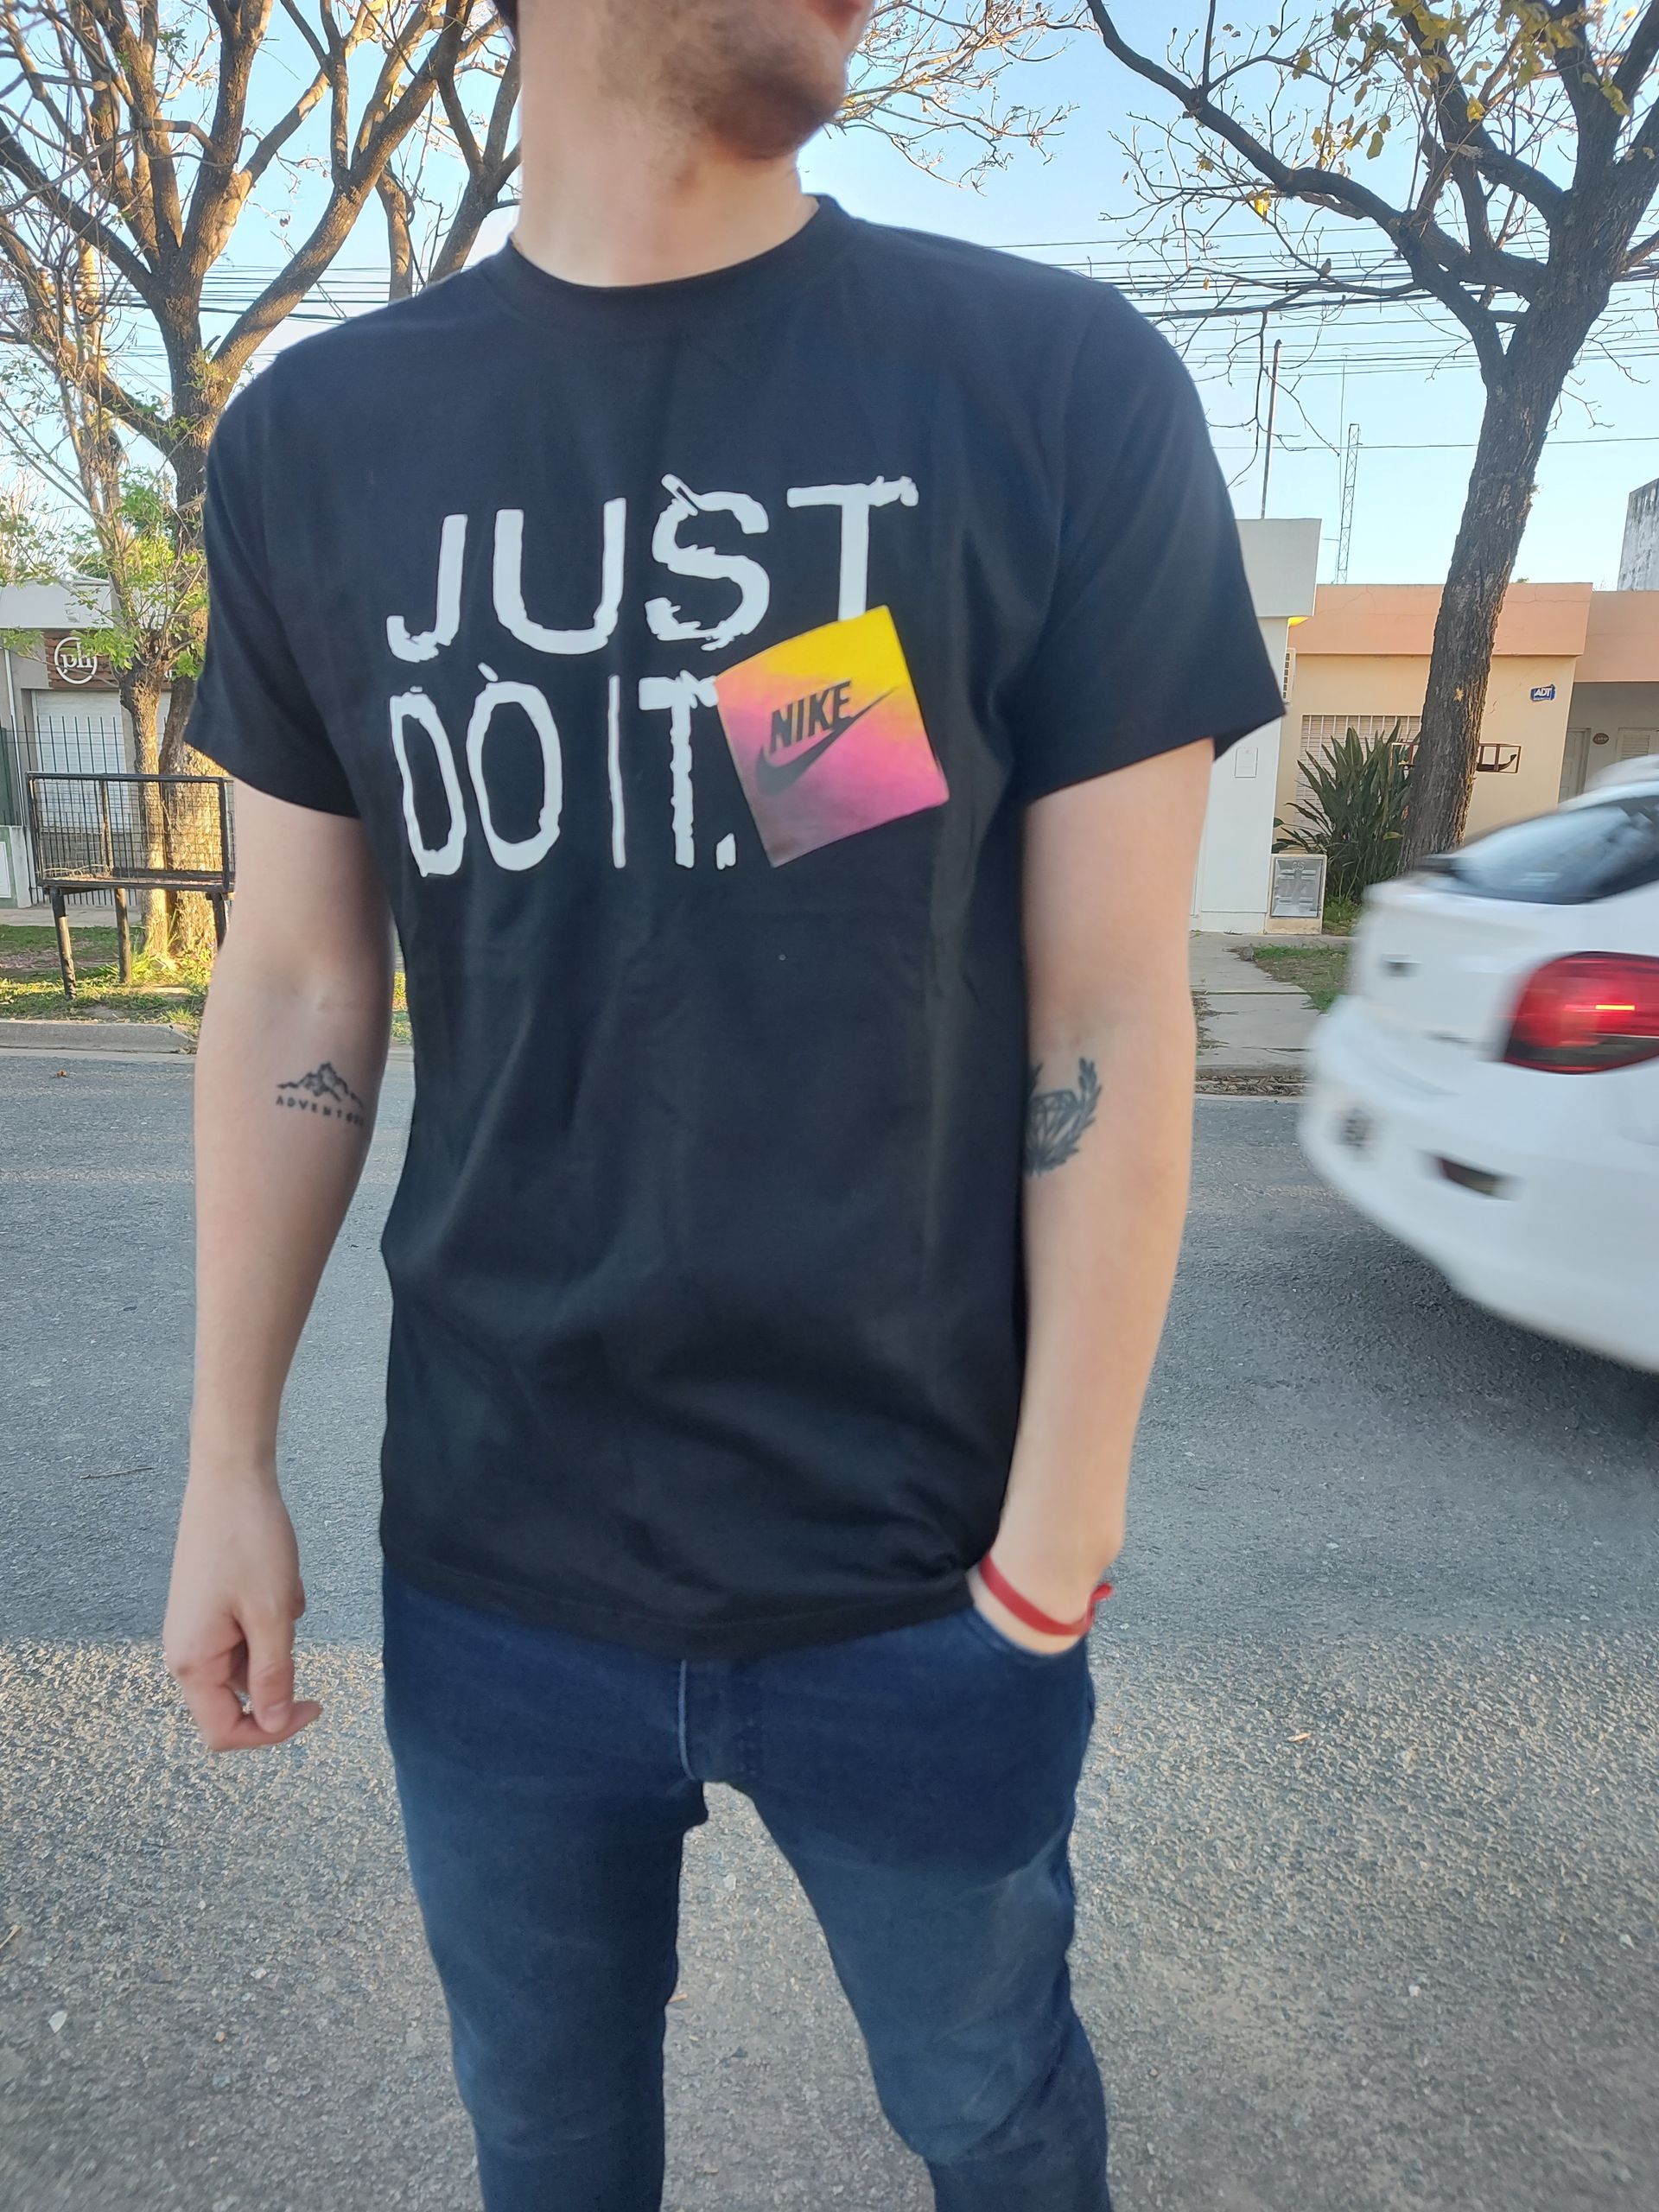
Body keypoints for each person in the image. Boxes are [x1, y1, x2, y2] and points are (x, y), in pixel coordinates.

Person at [162, 1, 1284, 2204]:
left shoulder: (1039, 390)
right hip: (493, 1571)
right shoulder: (321, 445)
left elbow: (1105, 1012)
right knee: (550, 2152)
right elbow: (298, 969)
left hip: (917, 1569)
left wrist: (1054, 1553)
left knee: (993, 2111)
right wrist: (225, 1458)